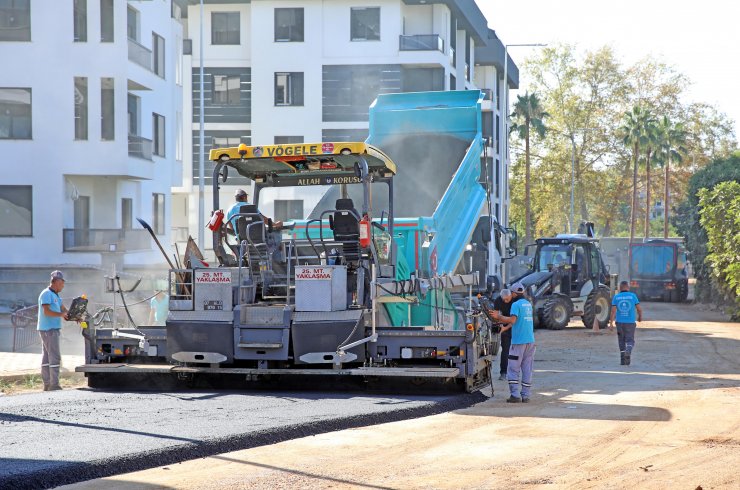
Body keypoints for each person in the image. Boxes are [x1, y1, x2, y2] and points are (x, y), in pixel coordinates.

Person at [493, 282, 536, 403]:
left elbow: (512, 319)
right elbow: (517, 321)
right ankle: (526, 396)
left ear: (513, 293)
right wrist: (505, 328)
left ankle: (515, 395)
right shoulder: (528, 304)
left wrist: (498, 317)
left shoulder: (515, 305)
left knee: (513, 368)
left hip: (518, 342)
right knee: (527, 368)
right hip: (530, 341)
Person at [37, 270, 69, 391]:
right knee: (55, 357)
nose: (63, 285)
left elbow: (63, 309)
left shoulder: (56, 295)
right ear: (55, 282)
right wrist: (61, 315)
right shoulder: (46, 294)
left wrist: (74, 316)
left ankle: (47, 384)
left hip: (49, 330)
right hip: (48, 330)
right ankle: (54, 385)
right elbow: (47, 312)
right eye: (62, 283)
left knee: (46, 357)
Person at [609, 280, 643, 366]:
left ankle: (623, 361)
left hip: (619, 323)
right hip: (630, 323)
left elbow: (613, 312)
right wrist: (640, 317)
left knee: (621, 341)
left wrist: (611, 323)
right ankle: (628, 351)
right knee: (630, 340)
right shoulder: (633, 296)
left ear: (620, 288)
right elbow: (639, 309)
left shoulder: (616, 297)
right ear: (628, 287)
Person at [493, 289, 513, 380]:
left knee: (518, 349)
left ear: (511, 296)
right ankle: (503, 372)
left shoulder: (515, 301)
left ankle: (516, 372)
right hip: (504, 322)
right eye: (504, 299)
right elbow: (496, 316)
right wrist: (501, 325)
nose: (505, 301)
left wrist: (507, 325)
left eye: (507, 299)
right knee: (505, 350)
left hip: (516, 323)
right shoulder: (498, 300)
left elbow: (515, 319)